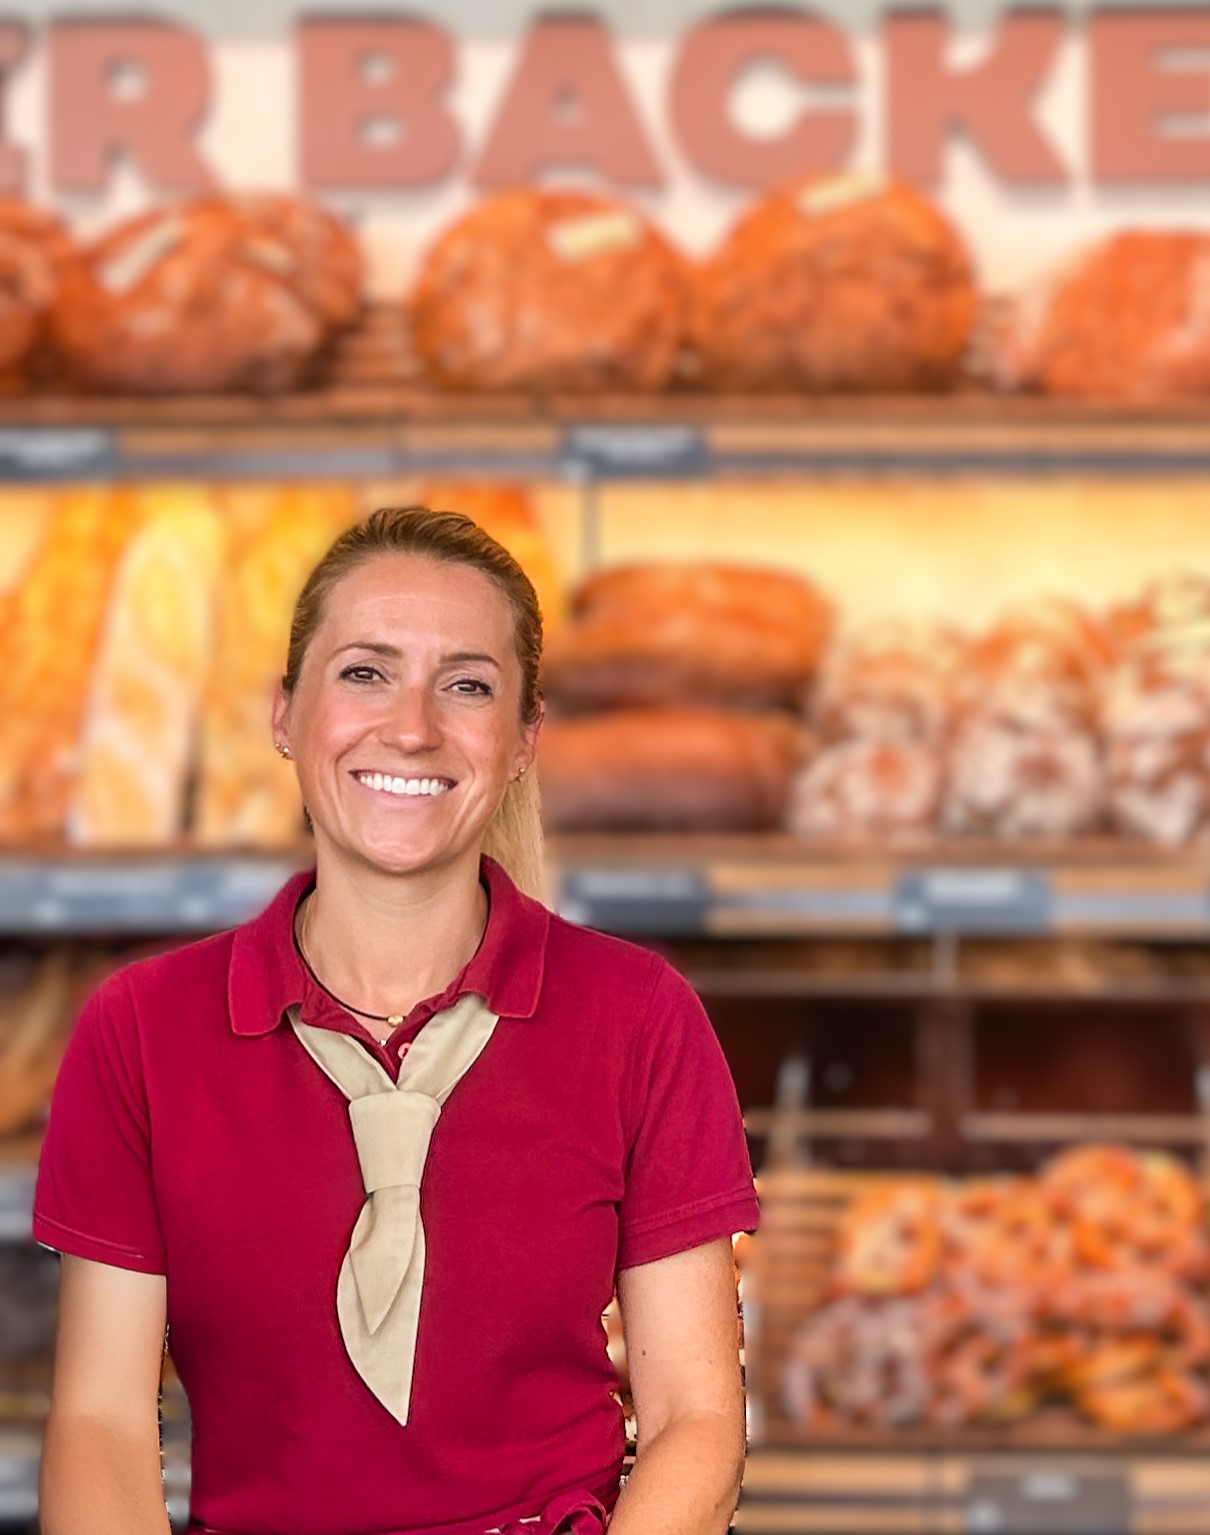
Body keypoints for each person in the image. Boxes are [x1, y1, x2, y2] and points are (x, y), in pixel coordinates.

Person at [33, 507, 760, 1535]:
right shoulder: (141, 1030)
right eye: (365, 672)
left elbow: (695, 1418)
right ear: (284, 713)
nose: (412, 725)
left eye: (466, 684)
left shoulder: (638, 1016)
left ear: (522, 740)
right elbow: (102, 1421)